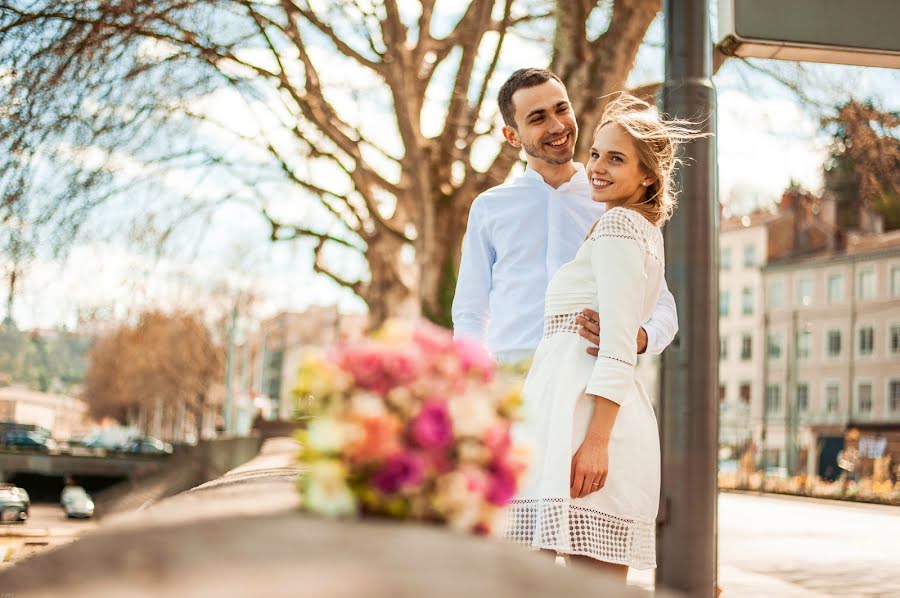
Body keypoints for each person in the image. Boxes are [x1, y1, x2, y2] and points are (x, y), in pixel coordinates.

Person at [503, 93, 704, 578]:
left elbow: (616, 344)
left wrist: (596, 442)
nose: (596, 166)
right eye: (595, 153)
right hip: (573, 418)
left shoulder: (617, 226)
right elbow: (637, 325)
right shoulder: (637, 230)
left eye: (616, 158)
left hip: (585, 426)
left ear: (648, 176)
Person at [451, 68, 677, 366]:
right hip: (511, 383)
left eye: (562, 109)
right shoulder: (489, 207)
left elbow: (661, 303)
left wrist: (642, 337)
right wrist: (475, 376)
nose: (557, 125)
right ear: (512, 136)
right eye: (538, 118)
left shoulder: (613, 202)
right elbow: (470, 311)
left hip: (584, 380)